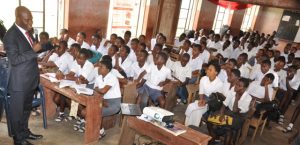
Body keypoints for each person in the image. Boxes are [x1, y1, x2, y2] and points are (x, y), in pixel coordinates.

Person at [4, 6, 45, 145]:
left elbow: (30, 53)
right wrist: (34, 51)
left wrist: (44, 46)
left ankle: (25, 131)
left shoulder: (27, 32)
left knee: (26, 110)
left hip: (30, 80)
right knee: (17, 113)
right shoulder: (10, 35)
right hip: (19, 82)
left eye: (31, 19)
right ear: (18, 18)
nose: (30, 23)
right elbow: (14, 59)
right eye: (27, 20)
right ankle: (18, 139)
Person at [185, 61, 223, 126]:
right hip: (204, 98)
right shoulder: (203, 79)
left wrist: (205, 102)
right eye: (208, 69)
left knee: (198, 111)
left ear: (216, 73)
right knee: (191, 106)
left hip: (212, 102)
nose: (207, 71)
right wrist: (201, 100)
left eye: (210, 70)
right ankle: (187, 125)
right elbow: (201, 92)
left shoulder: (219, 84)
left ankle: (194, 127)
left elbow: (214, 97)